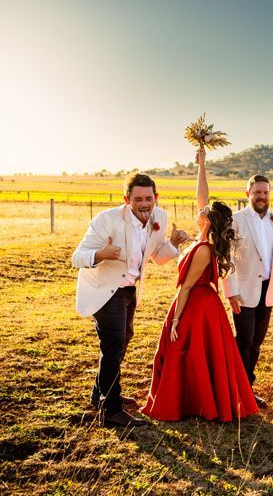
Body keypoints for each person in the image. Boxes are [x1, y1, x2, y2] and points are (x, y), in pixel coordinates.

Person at [141, 147, 258, 422]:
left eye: (202, 210)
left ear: (208, 220)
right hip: (199, 303)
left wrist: (175, 320)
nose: (199, 209)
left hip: (197, 307)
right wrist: (201, 166)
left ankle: (194, 403)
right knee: (191, 355)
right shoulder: (202, 239)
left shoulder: (204, 248)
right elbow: (201, 197)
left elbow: (187, 287)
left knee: (186, 351)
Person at [72, 173, 188, 427]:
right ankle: (111, 410)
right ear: (127, 199)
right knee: (114, 343)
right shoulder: (107, 220)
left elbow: (156, 257)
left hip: (129, 290)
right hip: (105, 289)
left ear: (156, 198)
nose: (144, 203)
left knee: (123, 339)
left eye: (149, 198)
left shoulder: (160, 218)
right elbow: (77, 257)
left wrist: (174, 244)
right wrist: (101, 254)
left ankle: (100, 393)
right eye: (138, 199)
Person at [221, 171, 273, 407]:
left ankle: (247, 388)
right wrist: (230, 291)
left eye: (266, 192)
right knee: (244, 340)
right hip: (243, 289)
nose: (262, 196)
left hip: (268, 289)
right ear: (248, 194)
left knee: (257, 341)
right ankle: (237, 390)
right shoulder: (235, 220)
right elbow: (225, 258)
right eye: (257, 192)